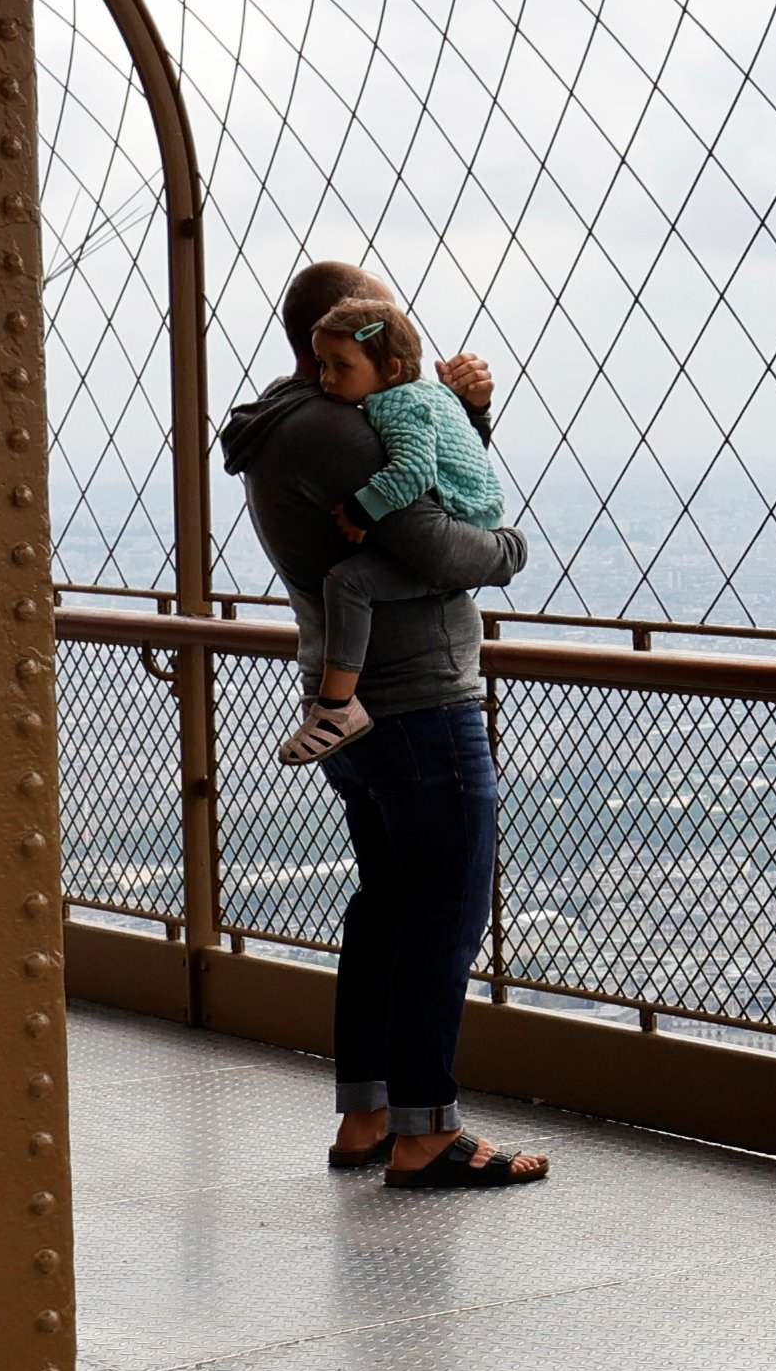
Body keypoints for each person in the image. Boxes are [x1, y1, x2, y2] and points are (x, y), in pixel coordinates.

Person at [216, 258, 551, 1190]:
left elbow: (432, 491)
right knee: (444, 916)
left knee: (387, 908)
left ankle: (369, 1116)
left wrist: (466, 419)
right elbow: (435, 537)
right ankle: (425, 1131)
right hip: (420, 702)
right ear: (345, 335)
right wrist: (510, 552)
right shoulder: (333, 433)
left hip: (365, 700)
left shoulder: (295, 423)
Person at [284, 294, 509, 767]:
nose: (326, 381)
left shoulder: (392, 404)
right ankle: (337, 706)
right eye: (324, 365)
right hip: (475, 517)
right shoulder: (428, 393)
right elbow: (452, 450)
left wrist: (361, 512)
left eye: (340, 367)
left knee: (349, 582)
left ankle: (336, 708)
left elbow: (413, 471)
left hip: (462, 523)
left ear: (388, 369)